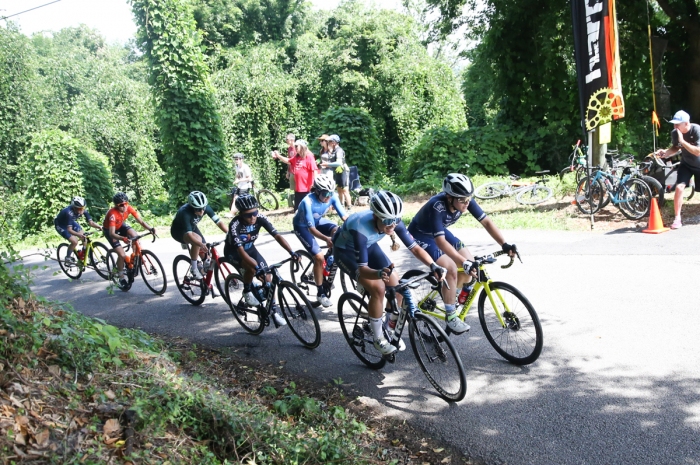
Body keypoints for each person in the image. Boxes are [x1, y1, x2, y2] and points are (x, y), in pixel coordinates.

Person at [333, 190, 446, 356]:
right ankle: (378, 338)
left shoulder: (392, 221)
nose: (392, 225)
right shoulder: (360, 229)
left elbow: (415, 248)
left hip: (369, 247)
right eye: (387, 221)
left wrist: (433, 265)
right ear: (376, 217)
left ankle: (387, 328)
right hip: (346, 252)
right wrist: (379, 274)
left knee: (398, 286)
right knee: (378, 289)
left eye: (396, 220)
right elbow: (364, 269)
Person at [408, 173, 517, 334]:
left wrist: (504, 243)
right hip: (420, 235)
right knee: (452, 268)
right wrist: (462, 262)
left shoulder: (464, 200)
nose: (467, 203)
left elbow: (486, 222)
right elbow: (440, 242)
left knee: (471, 265)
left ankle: (451, 294)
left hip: (439, 233)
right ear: (449, 197)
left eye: (468, 199)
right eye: (462, 199)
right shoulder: (436, 206)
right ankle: (451, 316)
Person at [224, 194, 299, 326]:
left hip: (250, 249)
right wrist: (257, 269)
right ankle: (247, 291)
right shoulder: (235, 224)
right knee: (252, 268)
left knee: (268, 277)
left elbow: (277, 236)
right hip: (235, 253)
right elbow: (241, 252)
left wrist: (291, 252)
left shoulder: (260, 218)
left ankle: (274, 311)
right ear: (241, 214)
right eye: (248, 215)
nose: (253, 217)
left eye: (255, 213)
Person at [293, 174, 348, 307]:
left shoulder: (332, 196)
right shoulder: (307, 202)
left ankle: (328, 260)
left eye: (331, 192)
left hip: (317, 222)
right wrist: (326, 239)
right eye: (325, 193)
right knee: (318, 256)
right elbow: (311, 229)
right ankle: (320, 292)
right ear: (316, 191)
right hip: (303, 227)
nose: (329, 196)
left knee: (337, 230)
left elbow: (345, 217)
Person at [655, 110, 700, 229]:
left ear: (686, 123)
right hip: (686, 164)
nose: (675, 127)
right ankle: (677, 218)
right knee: (680, 188)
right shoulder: (676, 133)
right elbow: (676, 147)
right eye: (674, 124)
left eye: (677, 124)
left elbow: (697, 151)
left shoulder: (696, 130)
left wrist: (683, 141)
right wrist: (666, 153)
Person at [170, 191, 228, 280]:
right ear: (192, 207)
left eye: (203, 208)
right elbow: (189, 235)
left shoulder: (205, 208)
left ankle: (206, 283)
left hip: (192, 228)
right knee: (198, 240)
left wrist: (229, 233)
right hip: (179, 232)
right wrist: (200, 244)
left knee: (207, 259)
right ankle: (194, 268)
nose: (201, 211)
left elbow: (219, 222)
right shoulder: (184, 213)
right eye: (198, 209)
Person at [102, 192, 156, 287]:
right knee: (122, 255)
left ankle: (134, 258)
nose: (124, 206)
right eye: (121, 205)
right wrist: (123, 238)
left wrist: (150, 229)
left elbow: (141, 221)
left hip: (120, 225)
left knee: (135, 236)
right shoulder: (112, 214)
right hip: (110, 231)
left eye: (126, 203)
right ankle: (121, 276)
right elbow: (112, 233)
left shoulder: (129, 208)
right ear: (116, 206)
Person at [272, 139, 318, 211]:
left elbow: (314, 170)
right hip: (298, 188)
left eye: (297, 146)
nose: (295, 147)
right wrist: (278, 156)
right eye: (295, 146)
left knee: (308, 209)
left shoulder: (309, 157)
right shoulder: (297, 157)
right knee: (298, 210)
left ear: (302, 147)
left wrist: (314, 183)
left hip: (307, 188)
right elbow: (288, 161)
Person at [54, 196, 102, 263]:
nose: (81, 210)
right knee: (75, 241)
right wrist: (79, 235)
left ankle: (86, 256)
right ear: (74, 207)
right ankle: (68, 258)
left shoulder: (83, 210)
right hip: (61, 225)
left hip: (70, 222)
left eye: (82, 208)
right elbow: (69, 230)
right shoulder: (69, 213)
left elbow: (91, 223)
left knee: (85, 238)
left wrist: (99, 226)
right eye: (79, 209)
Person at [322, 134, 352, 210]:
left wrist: (327, 164)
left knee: (345, 190)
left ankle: (349, 208)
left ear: (334, 142)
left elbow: (338, 163)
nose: (328, 143)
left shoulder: (339, 150)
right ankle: (341, 207)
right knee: (339, 190)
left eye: (329, 142)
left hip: (343, 172)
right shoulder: (333, 151)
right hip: (337, 173)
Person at [228, 152, 253, 217]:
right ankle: (233, 213)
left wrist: (239, 180)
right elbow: (237, 175)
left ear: (241, 159)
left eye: (237, 159)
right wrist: (236, 179)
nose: (236, 161)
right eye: (235, 159)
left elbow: (248, 178)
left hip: (246, 186)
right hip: (240, 185)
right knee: (235, 198)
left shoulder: (245, 167)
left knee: (238, 199)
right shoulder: (237, 167)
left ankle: (233, 213)